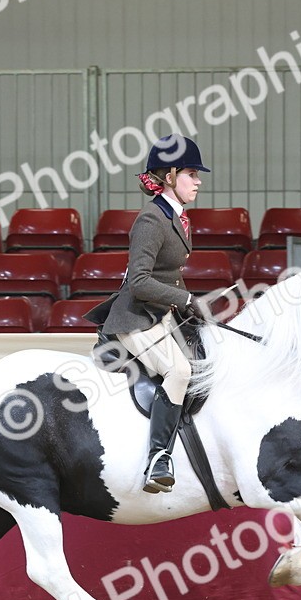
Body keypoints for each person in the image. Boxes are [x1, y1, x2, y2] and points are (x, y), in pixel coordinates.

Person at [87, 135, 211, 493]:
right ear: (170, 176)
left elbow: (166, 274)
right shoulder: (151, 219)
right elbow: (139, 282)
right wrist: (185, 299)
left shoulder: (175, 216)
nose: (198, 180)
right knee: (180, 369)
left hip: (160, 312)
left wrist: (188, 308)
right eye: (191, 173)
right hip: (136, 315)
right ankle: (159, 458)